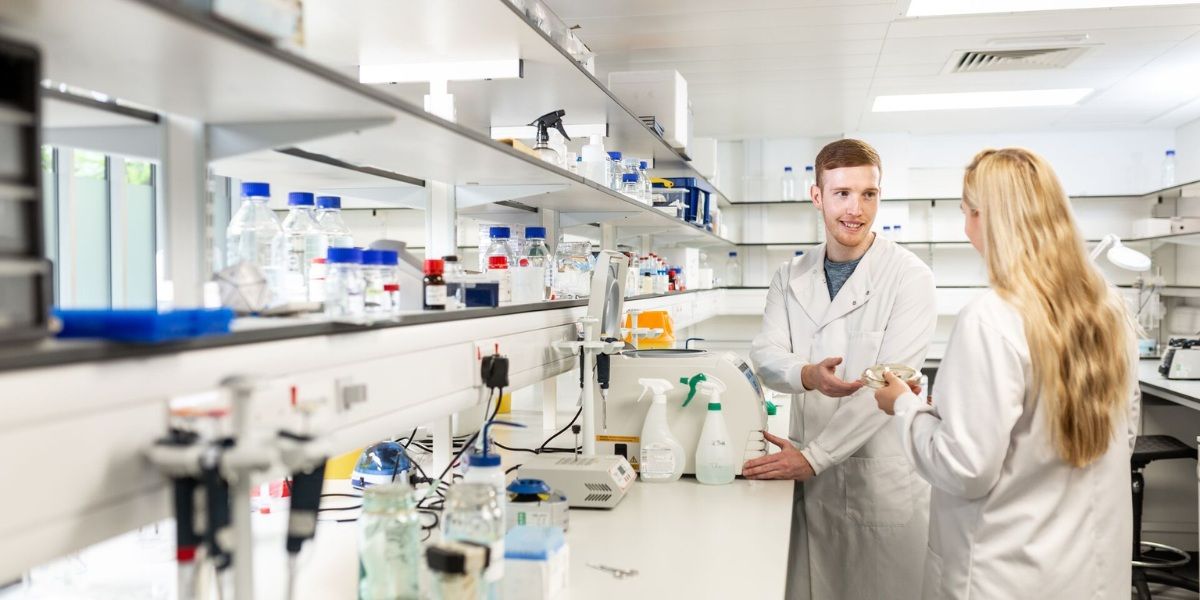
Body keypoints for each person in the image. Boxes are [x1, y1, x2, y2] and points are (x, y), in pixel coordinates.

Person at [874, 148, 1141, 599]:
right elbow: (1124, 433)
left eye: (968, 213)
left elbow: (966, 469)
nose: (966, 228)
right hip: (1090, 574)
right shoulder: (1110, 309)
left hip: (1005, 574)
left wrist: (904, 406)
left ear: (989, 218)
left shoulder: (991, 318)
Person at [747, 139, 937, 599]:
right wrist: (810, 374)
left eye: (868, 194)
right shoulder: (790, 276)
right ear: (818, 197)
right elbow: (766, 355)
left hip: (877, 481)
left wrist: (814, 457)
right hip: (811, 485)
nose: (856, 209)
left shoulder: (909, 278)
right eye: (842, 194)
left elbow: (888, 390)